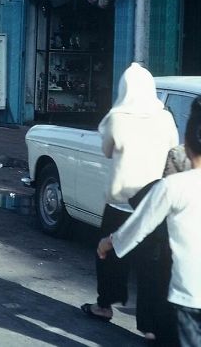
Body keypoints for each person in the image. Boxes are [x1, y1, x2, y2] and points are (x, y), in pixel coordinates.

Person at [80, 63, 179, 340]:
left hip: (121, 199)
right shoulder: (166, 118)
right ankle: (149, 326)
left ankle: (104, 306)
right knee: (151, 265)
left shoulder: (117, 118)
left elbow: (107, 150)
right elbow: (173, 149)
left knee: (108, 255)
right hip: (153, 200)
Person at [98, 96, 201, 347]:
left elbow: (139, 225)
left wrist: (109, 242)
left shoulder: (174, 186)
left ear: (186, 144)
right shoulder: (162, 119)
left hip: (188, 299)